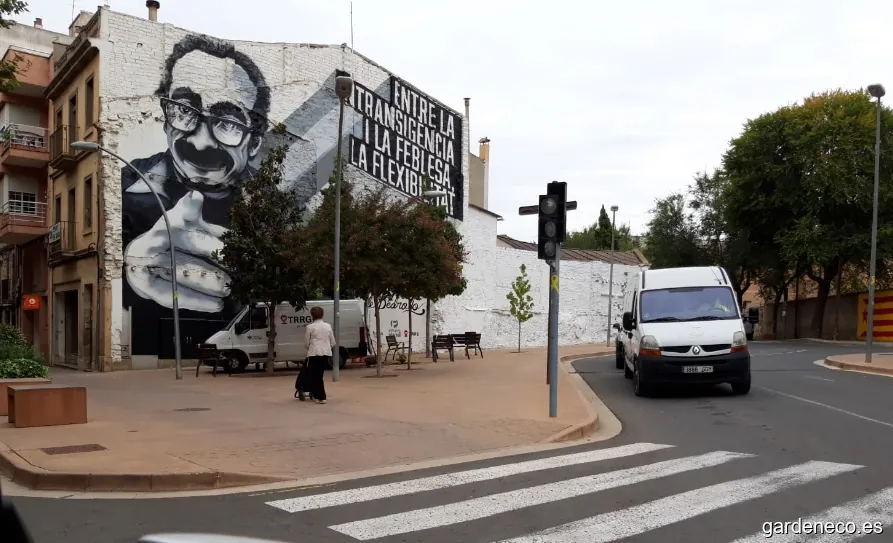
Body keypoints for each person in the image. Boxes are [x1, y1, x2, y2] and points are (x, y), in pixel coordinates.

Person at [120, 34, 272, 358]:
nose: (201, 142)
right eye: (183, 111)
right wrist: (133, 263)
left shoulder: (275, 209)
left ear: (255, 142)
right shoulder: (125, 185)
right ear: (166, 118)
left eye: (228, 122)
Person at [304, 306, 335, 404]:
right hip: (325, 353)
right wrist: (326, 347)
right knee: (319, 374)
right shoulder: (328, 326)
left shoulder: (310, 327)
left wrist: (310, 347)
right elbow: (333, 341)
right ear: (323, 314)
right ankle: (317, 394)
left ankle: (321, 396)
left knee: (315, 375)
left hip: (314, 353)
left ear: (312, 316)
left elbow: (306, 343)